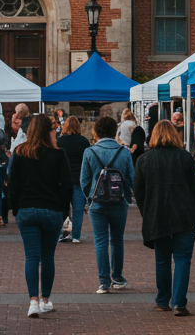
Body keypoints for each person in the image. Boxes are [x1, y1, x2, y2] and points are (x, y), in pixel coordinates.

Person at [134, 120, 195, 316]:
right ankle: (179, 303)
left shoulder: (144, 159)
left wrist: (146, 212)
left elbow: (139, 192)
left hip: (157, 215)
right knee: (183, 258)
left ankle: (162, 300)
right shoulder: (185, 157)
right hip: (185, 214)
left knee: (162, 260)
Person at [7, 114, 71, 318]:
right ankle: (46, 300)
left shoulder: (20, 152)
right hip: (51, 209)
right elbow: (67, 185)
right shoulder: (58, 154)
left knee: (31, 256)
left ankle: (32, 301)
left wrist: (16, 209)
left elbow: (13, 184)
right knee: (48, 256)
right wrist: (63, 210)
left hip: (27, 209)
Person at [81, 115, 135, 293]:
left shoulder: (90, 152)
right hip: (119, 201)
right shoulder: (124, 152)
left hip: (97, 202)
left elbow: (84, 181)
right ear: (115, 132)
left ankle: (104, 282)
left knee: (101, 241)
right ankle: (117, 277)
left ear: (95, 133)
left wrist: (90, 198)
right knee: (117, 240)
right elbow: (131, 179)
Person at [56, 117, 91, 243]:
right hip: (79, 179)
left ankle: (64, 233)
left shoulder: (59, 141)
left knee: (64, 208)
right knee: (78, 210)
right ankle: (76, 236)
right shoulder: (84, 141)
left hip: (63, 181)